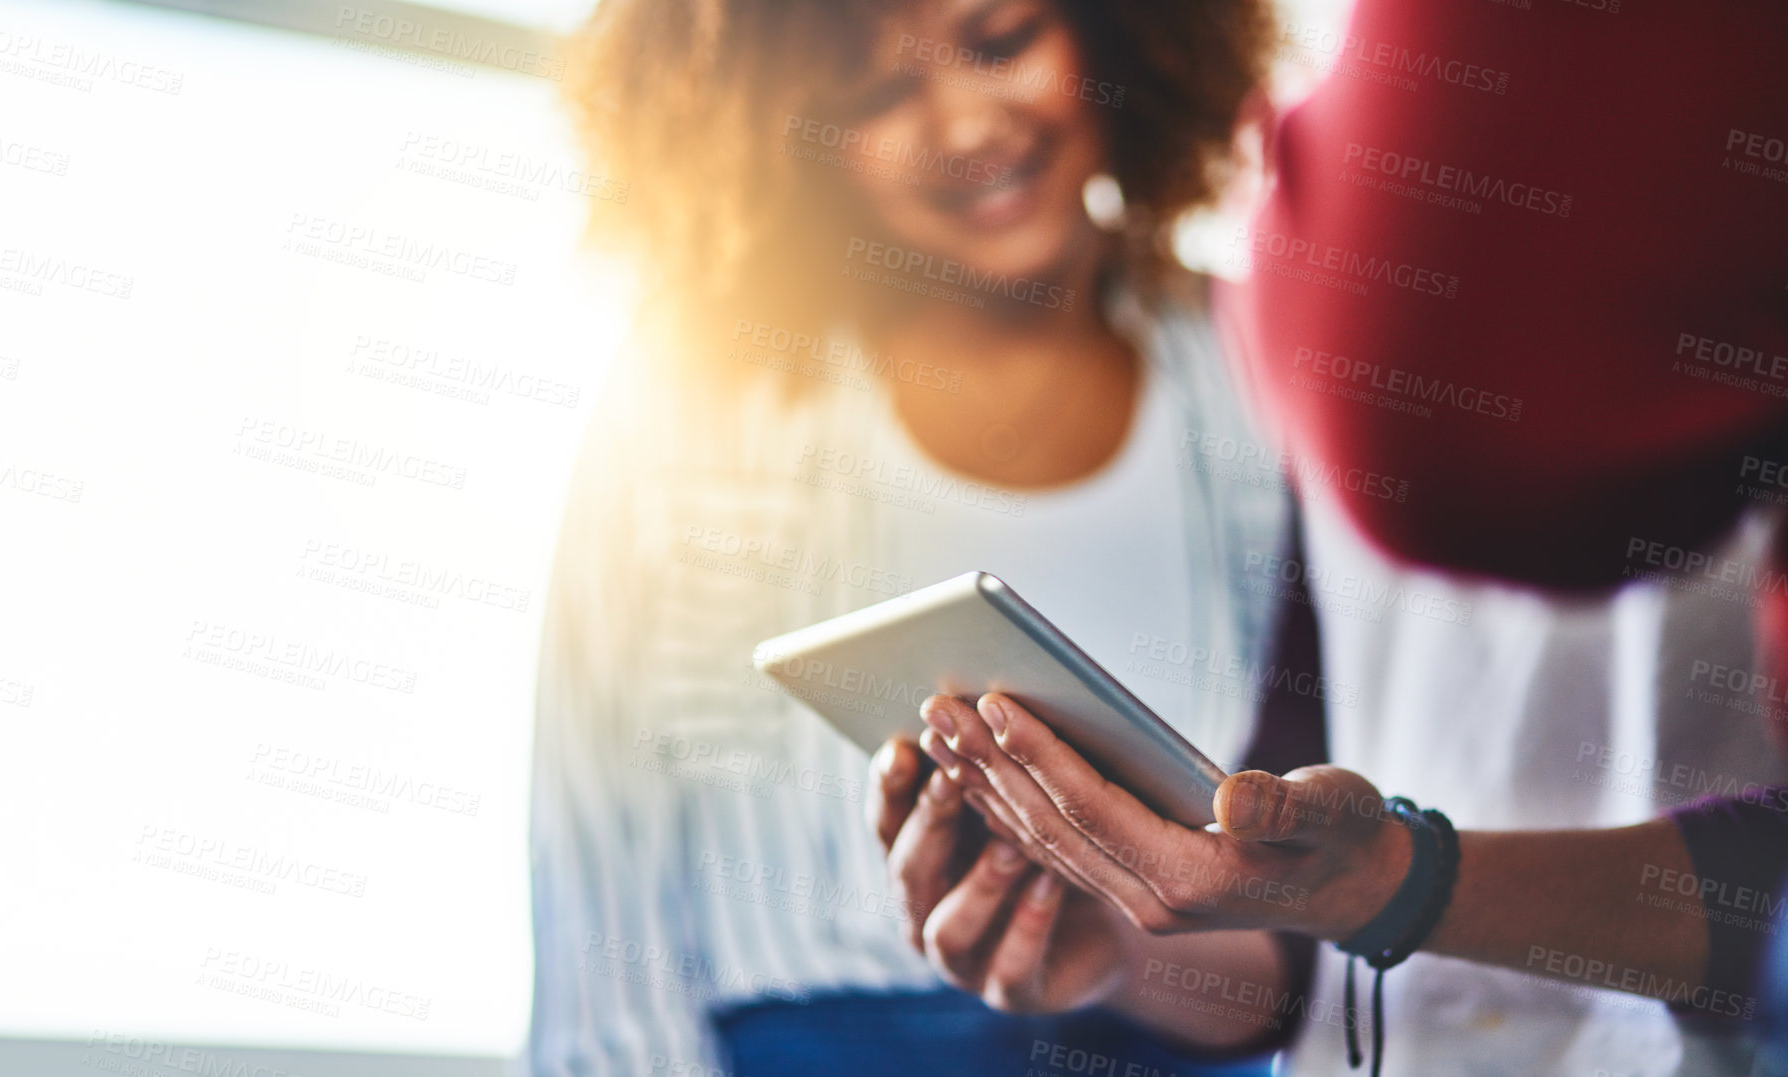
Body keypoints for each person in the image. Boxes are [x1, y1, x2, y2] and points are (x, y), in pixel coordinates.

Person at [871, 2, 1788, 1074]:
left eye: (1002, 41)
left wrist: (1407, 886)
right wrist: (1125, 946)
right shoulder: (1299, 253)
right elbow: (1300, 896)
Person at [522, 0, 1317, 1074]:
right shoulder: (707, 376)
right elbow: (597, 859)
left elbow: (1313, 950)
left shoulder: (1257, 364)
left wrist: (1125, 954)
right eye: (875, 93)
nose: (963, 128)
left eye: (1002, 43)